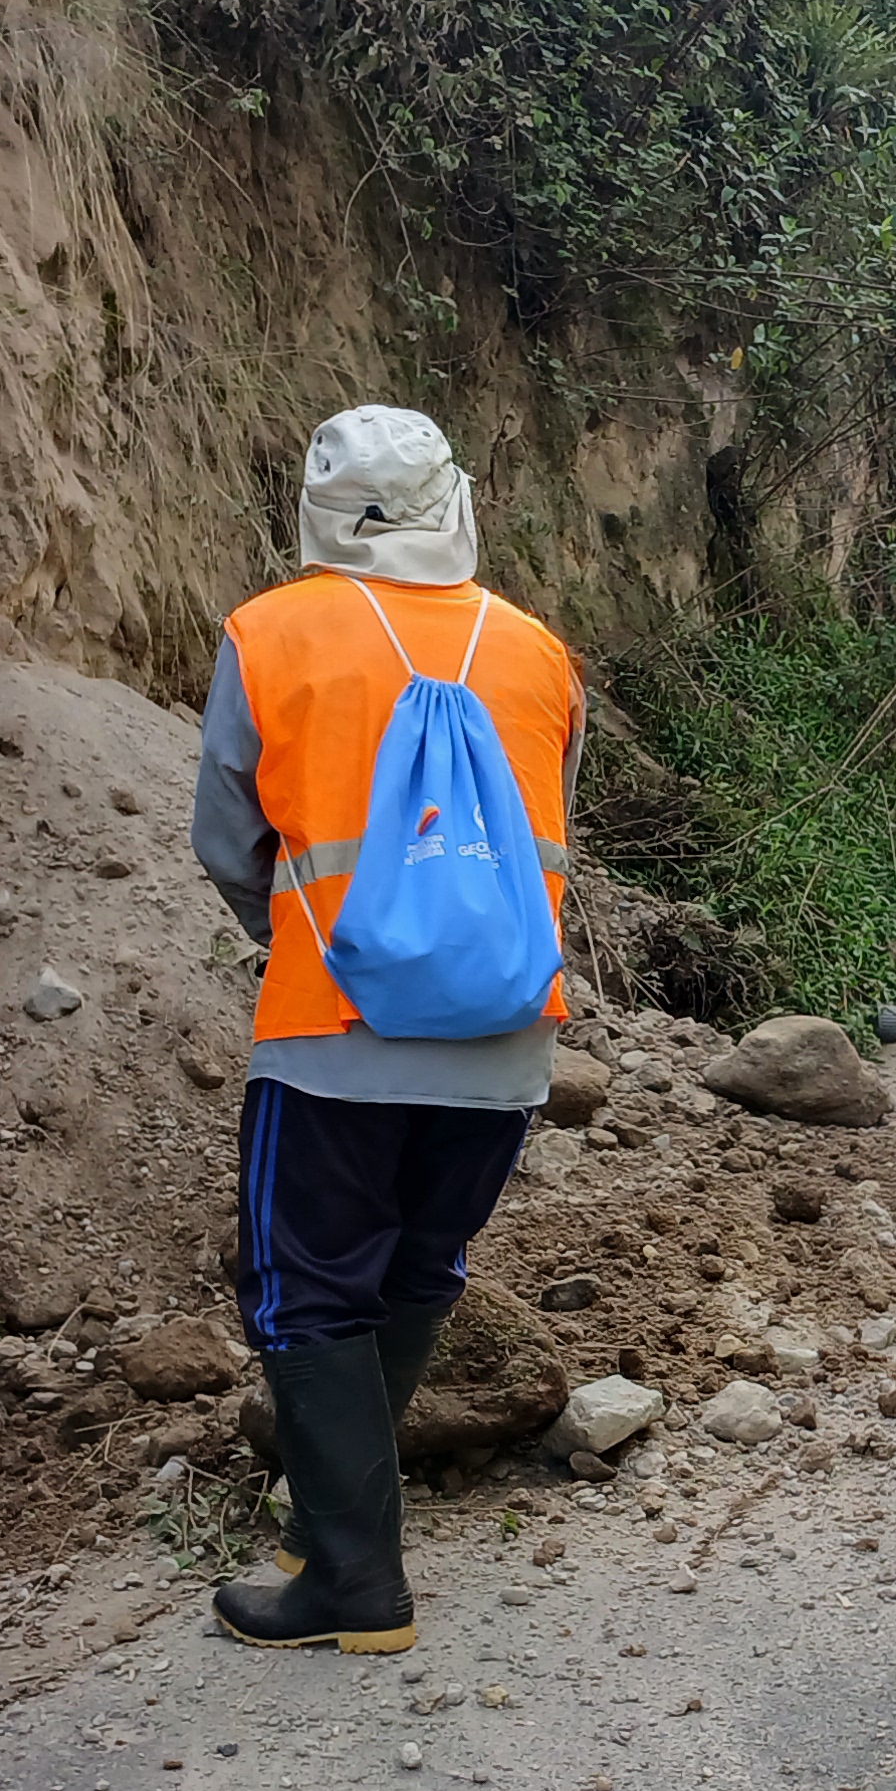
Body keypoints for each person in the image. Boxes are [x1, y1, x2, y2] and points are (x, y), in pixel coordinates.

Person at [188, 406, 585, 1655]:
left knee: (305, 1290)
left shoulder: (270, 634)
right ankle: (331, 1529)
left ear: (318, 511)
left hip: (335, 1030)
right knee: (418, 1269)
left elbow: (228, 844)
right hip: (505, 1042)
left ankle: (355, 1586)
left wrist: (315, 936)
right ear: (452, 504)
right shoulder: (538, 652)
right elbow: (545, 841)